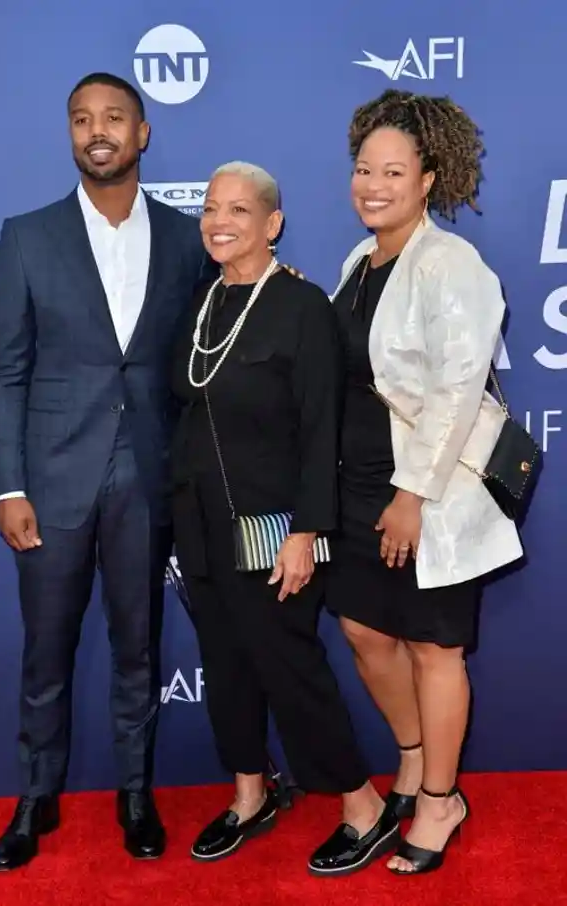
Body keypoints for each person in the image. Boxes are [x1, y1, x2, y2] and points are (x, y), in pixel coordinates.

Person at [0, 72, 219, 871]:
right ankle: (34, 796)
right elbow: (4, 372)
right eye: (82, 119)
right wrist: (9, 485)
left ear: (143, 132)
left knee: (138, 649)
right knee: (44, 652)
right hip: (49, 484)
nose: (98, 131)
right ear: (70, 135)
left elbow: (214, 345)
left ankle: (135, 790)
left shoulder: (189, 240)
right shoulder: (25, 236)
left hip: (147, 480)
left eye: (114, 117)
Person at [170, 160, 400, 875]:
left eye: (239, 211)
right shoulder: (203, 300)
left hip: (274, 526)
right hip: (200, 525)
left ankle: (362, 805)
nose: (219, 221)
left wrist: (307, 532)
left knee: (287, 665)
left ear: (271, 225)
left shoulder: (302, 308)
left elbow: (320, 429)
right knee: (229, 666)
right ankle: (250, 794)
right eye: (211, 209)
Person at [325, 89, 524, 875]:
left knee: (435, 646)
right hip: (354, 485)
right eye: (364, 169)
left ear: (429, 177)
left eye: (393, 171)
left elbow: (456, 388)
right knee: (366, 632)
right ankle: (411, 757)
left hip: (426, 493)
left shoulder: (453, 263)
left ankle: (440, 799)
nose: (373, 184)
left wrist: (412, 495)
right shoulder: (358, 259)